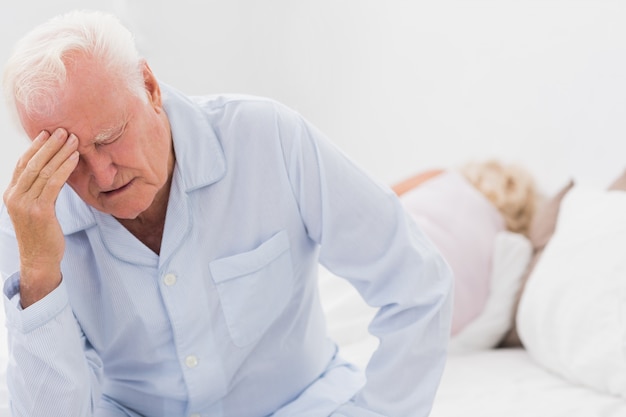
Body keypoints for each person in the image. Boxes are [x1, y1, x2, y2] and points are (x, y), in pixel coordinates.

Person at [0, 10, 453, 417]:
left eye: (109, 136)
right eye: (70, 157)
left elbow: (416, 282)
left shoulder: (269, 139)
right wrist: (40, 273)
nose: (101, 174)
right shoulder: (31, 225)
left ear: (150, 87)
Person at [392, 160, 538, 335]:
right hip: (424, 326)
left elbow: (377, 199)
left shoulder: (441, 177)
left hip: (388, 262)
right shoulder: (505, 254)